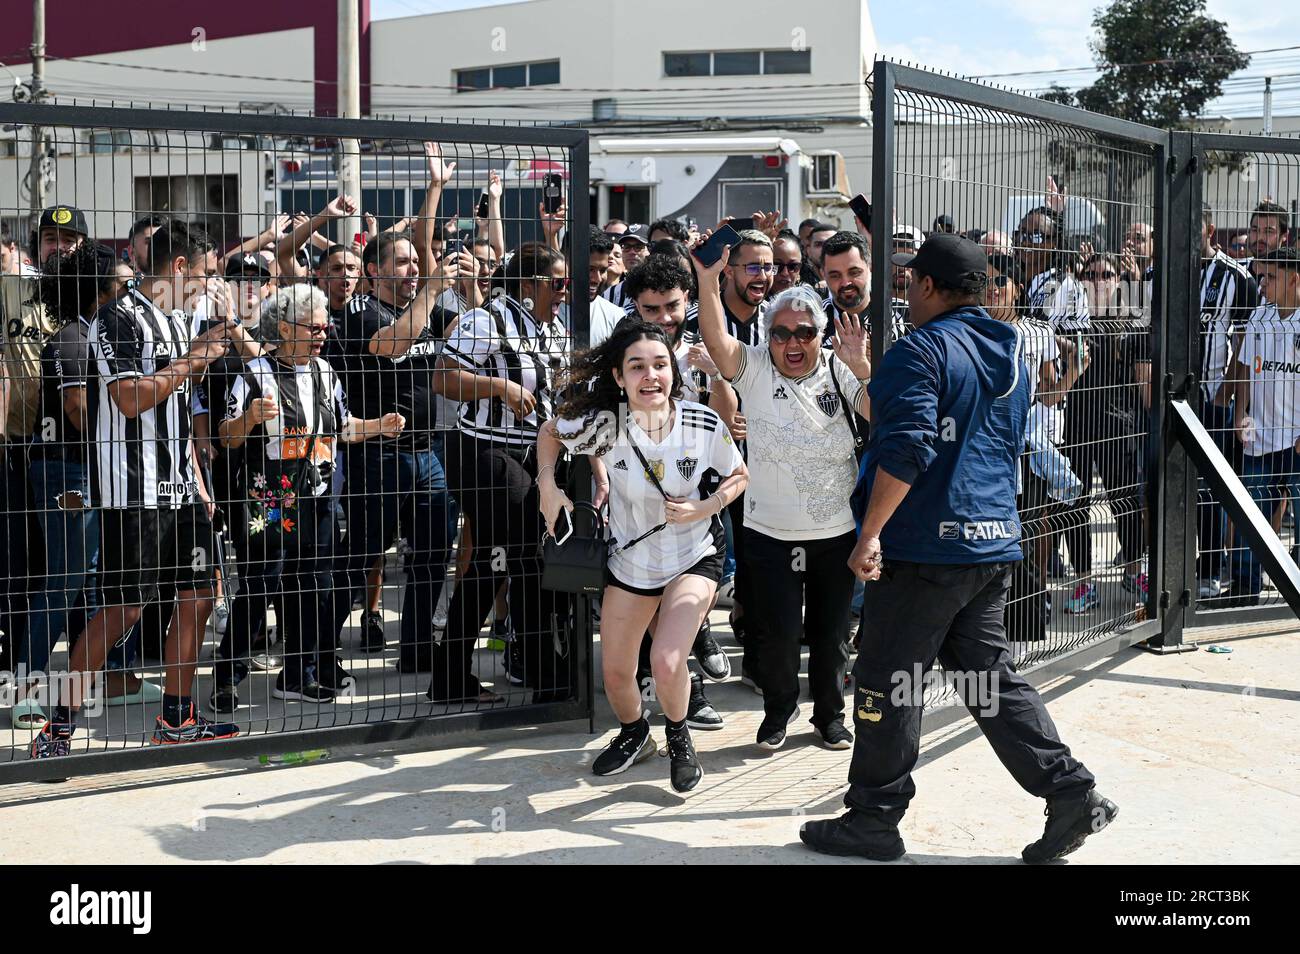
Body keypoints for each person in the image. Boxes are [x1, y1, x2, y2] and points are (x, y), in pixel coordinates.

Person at [800, 233, 1116, 863]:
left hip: (925, 550)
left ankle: (872, 819)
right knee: (988, 679)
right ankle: (1071, 790)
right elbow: (961, 432)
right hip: (991, 541)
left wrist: (869, 535)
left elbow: (909, 447)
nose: (904, 289)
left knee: (887, 682)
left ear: (926, 286)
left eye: (910, 279)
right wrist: (868, 375)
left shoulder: (921, 350)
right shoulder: (1008, 351)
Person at [31, 222, 242, 758]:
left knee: (198, 597)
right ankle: (59, 724)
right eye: (202, 275)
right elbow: (128, 399)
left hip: (181, 488)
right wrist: (195, 360)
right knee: (125, 609)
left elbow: (178, 395)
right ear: (177, 269)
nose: (207, 284)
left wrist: (212, 342)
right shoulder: (117, 318)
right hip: (133, 488)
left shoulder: (176, 321)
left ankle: (176, 717)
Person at [536, 320, 748, 792]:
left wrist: (703, 507)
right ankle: (636, 734)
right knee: (615, 672)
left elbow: (739, 476)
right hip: (629, 564)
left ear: (673, 370)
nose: (650, 376)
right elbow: (550, 432)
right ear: (618, 377)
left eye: (660, 365)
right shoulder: (605, 427)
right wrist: (547, 486)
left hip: (693, 555)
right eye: (637, 367)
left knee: (669, 660)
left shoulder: (701, 422)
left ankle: (679, 736)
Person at [695, 243, 870, 751]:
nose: (793, 343)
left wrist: (860, 367)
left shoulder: (839, 370)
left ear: (821, 334)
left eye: (805, 333)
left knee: (832, 636)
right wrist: (708, 284)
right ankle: (777, 713)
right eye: (780, 333)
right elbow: (715, 336)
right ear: (767, 337)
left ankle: (830, 718)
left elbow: (880, 414)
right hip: (767, 534)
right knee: (775, 636)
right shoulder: (751, 368)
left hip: (834, 535)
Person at [211, 285, 405, 710]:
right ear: (284, 328)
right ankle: (228, 675)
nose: (323, 334)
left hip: (318, 499)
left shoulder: (325, 372)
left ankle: (300, 674)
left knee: (313, 587)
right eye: (314, 327)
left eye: (325, 327)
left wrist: (378, 426)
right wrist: (250, 418)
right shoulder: (253, 374)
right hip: (271, 503)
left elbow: (341, 428)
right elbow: (225, 437)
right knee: (260, 587)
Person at [14, 244, 148, 729]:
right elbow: (77, 410)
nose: (132, 291)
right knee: (65, 580)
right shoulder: (74, 337)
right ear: (99, 290)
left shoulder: (95, 332)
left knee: (94, 581)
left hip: (86, 471)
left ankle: (108, 678)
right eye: (124, 284)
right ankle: (24, 687)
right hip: (67, 472)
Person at [433, 242, 572, 703]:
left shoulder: (548, 328)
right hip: (485, 450)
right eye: (557, 283)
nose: (564, 293)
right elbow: (443, 376)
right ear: (528, 285)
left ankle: (460, 675)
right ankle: (537, 674)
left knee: (508, 560)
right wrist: (499, 386)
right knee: (514, 557)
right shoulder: (487, 320)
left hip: (532, 454)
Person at [325, 231, 455, 670]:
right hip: (378, 454)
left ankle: (417, 651)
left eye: (415, 262)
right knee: (361, 557)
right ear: (374, 270)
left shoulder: (418, 309)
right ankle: (313, 652)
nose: (413, 269)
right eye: (402, 262)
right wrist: (433, 289)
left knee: (433, 553)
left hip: (426, 452)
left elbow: (463, 330)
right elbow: (393, 343)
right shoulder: (360, 313)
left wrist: (466, 287)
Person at [1194, 207, 1259, 599]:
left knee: (1213, 491)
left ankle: (1213, 569)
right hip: (1174, 397)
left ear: (1210, 229)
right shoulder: (1165, 272)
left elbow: (1244, 345)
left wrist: (1225, 396)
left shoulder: (1236, 277)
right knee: (1170, 487)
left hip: (1213, 401)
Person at [1228, 247, 1300, 604]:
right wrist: (1241, 413)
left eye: (1270, 276)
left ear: (1293, 278)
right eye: (1260, 276)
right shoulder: (1259, 318)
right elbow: (1243, 371)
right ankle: (1245, 585)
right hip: (1259, 439)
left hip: (1297, 441)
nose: (1262, 283)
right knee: (1250, 514)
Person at [770, 231, 804, 296]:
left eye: (793, 266)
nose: (785, 273)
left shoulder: (808, 301)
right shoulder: (753, 302)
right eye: (778, 265)